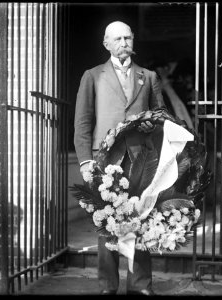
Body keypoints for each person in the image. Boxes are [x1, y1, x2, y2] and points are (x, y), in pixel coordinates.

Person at [74, 21, 166, 295]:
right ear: (106, 43)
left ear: (133, 40)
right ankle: (107, 286)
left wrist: (153, 124)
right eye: (117, 38)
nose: (124, 42)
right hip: (105, 162)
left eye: (127, 37)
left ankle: (140, 286)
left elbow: (162, 116)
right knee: (107, 223)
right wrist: (85, 162)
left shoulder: (148, 77)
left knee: (141, 220)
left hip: (141, 160)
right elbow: (83, 122)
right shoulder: (93, 76)